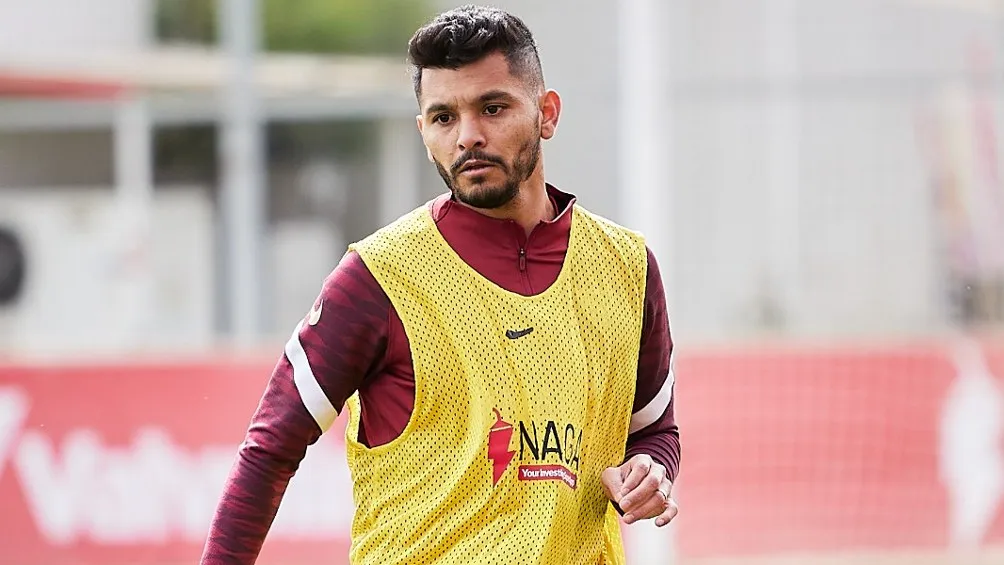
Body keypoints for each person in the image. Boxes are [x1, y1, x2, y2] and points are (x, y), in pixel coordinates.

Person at [200, 5, 680, 564]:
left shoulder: (626, 267)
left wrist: (652, 473)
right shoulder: (378, 277)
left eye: (493, 108)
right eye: (444, 117)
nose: (468, 136)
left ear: (547, 113)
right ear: (423, 129)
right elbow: (269, 449)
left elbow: (655, 432)